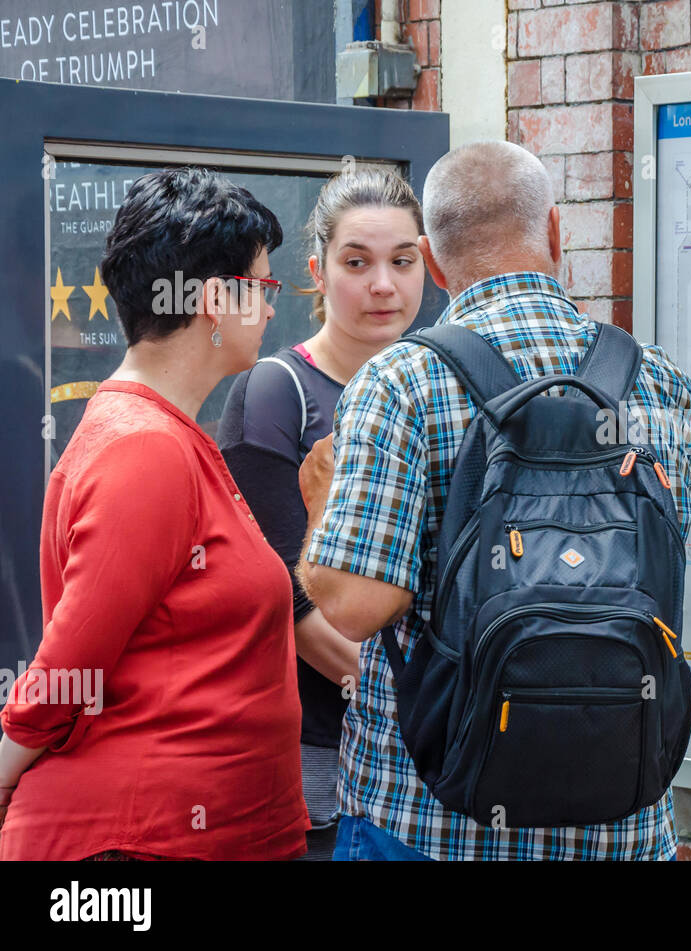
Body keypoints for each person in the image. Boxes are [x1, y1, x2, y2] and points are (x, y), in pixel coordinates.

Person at [296, 140, 691, 861]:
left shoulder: (400, 384)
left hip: (430, 824)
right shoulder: (650, 377)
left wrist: (324, 510)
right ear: (554, 233)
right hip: (622, 826)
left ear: (435, 261)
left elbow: (357, 604)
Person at [0, 167, 310, 861]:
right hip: (135, 846)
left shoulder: (163, 434)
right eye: (262, 288)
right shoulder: (147, 449)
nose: (268, 310)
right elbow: (67, 666)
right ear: (211, 300)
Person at [217, 168, 425, 860]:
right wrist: (430, 702)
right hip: (324, 760)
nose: (383, 286)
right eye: (357, 262)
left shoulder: (441, 388)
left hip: (431, 754)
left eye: (403, 261)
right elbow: (290, 601)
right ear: (318, 269)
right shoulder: (278, 393)